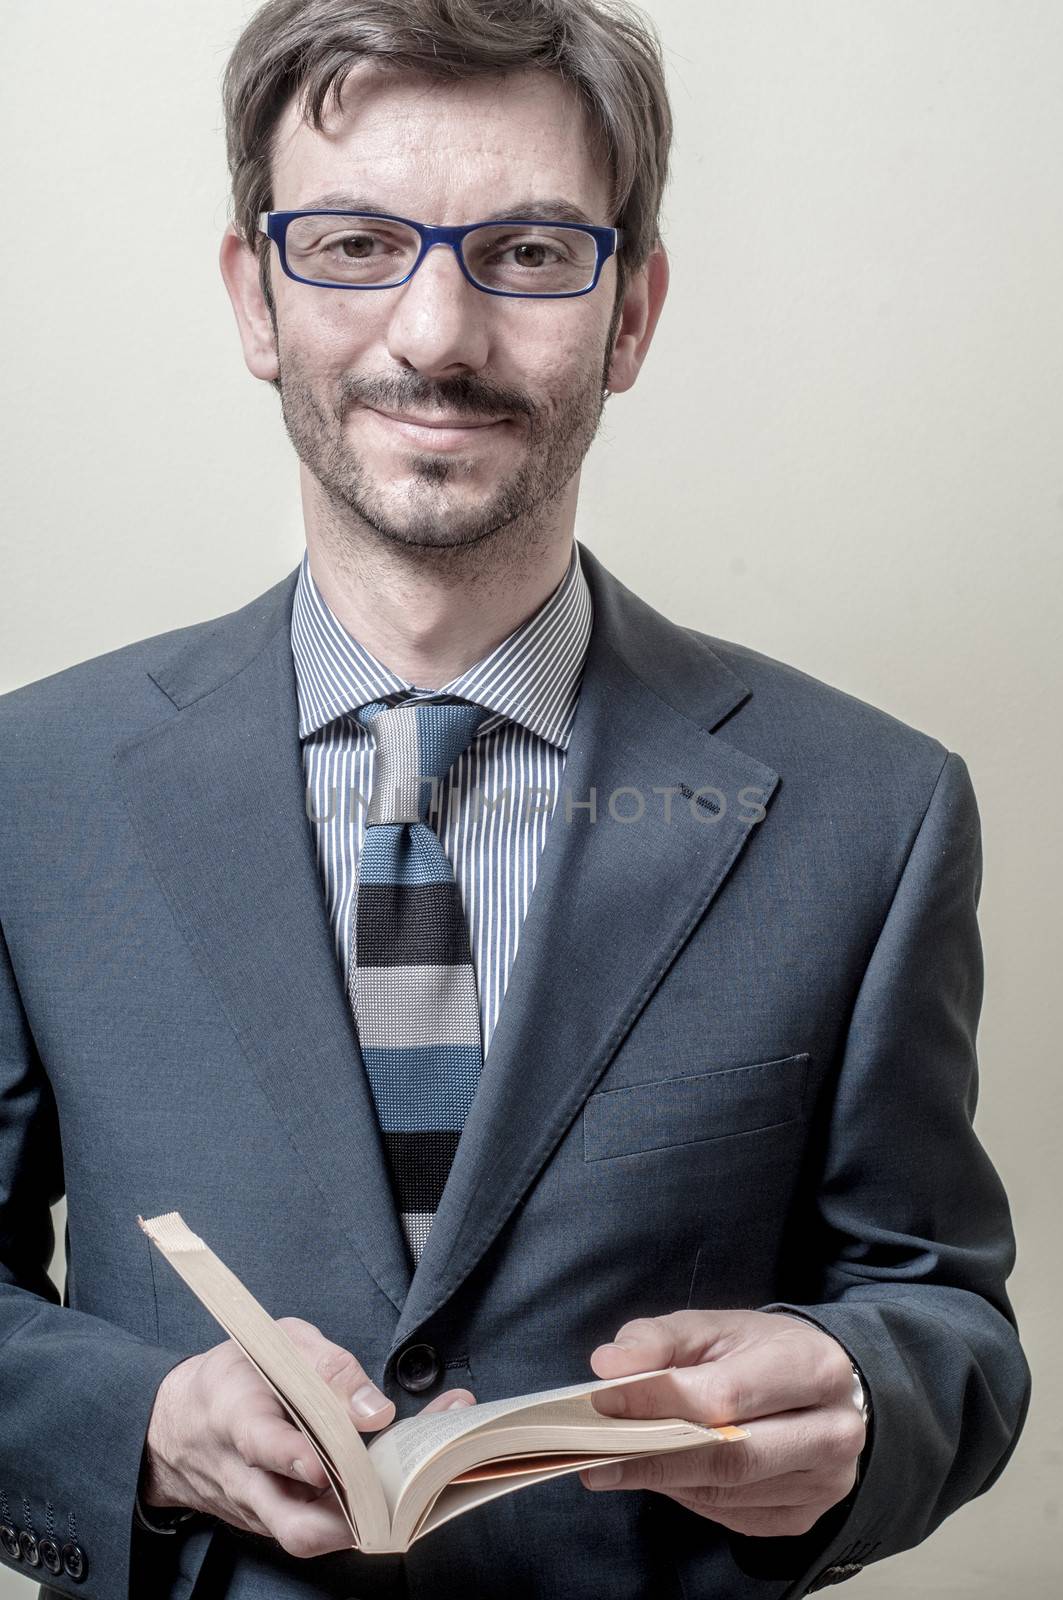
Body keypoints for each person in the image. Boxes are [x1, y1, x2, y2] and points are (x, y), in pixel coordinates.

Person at [0, 1, 1029, 1597]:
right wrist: (137, 1423)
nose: (435, 336)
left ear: (632, 313)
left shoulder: (873, 811)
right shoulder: (26, 786)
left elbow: (944, 1317)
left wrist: (859, 1403)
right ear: (254, 296)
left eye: (533, 254)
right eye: (350, 243)